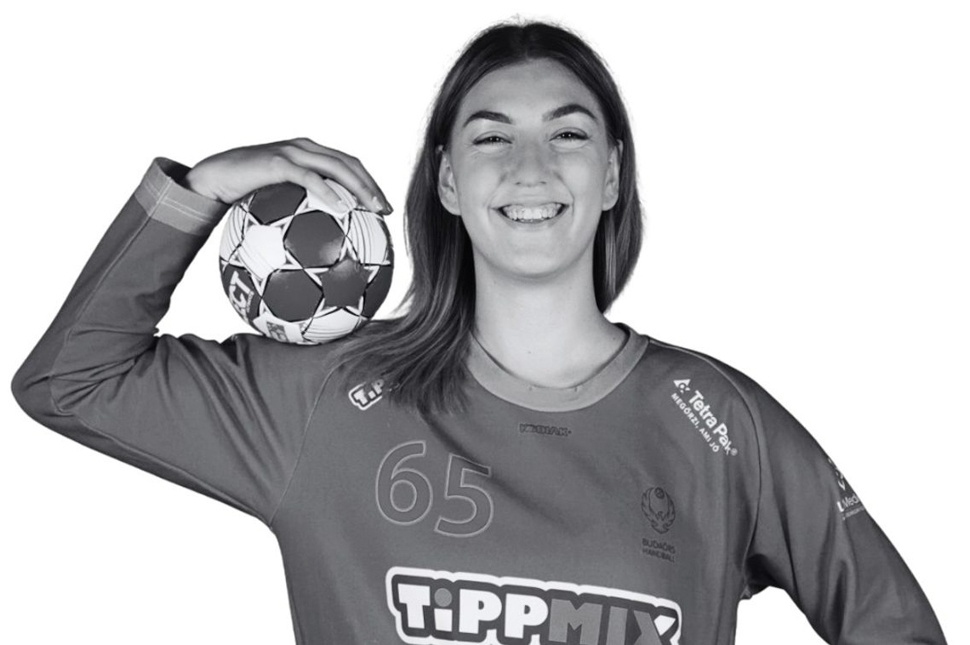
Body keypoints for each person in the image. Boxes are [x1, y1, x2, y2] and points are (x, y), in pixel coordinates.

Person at [9, 17, 948, 645]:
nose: (531, 166)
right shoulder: (324, 400)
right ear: (449, 181)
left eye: (568, 134)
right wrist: (203, 187)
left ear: (613, 175)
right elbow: (71, 381)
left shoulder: (717, 419)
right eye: (492, 136)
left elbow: (894, 625)